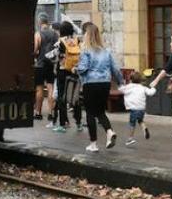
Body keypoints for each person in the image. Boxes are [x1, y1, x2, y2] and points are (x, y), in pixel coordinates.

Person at [75, 23, 122, 152]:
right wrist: (121, 83)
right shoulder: (106, 51)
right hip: (105, 83)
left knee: (90, 112)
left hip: (90, 83)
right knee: (100, 111)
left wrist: (76, 69)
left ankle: (93, 144)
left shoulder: (86, 51)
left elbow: (83, 68)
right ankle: (109, 131)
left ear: (87, 36)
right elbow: (115, 69)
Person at [51, 21, 84, 132]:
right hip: (74, 72)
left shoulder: (60, 42)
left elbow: (55, 57)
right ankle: (79, 123)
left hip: (62, 72)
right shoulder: (77, 41)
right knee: (75, 97)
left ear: (61, 31)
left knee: (62, 97)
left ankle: (62, 124)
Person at [118, 71, 156, 145]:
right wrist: (153, 88)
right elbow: (151, 93)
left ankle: (130, 138)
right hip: (141, 109)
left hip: (134, 109)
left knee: (132, 123)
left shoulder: (128, 87)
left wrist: (120, 84)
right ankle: (144, 128)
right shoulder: (143, 87)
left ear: (131, 79)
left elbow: (121, 89)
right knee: (140, 120)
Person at [33, 14, 58, 120]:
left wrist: (36, 54)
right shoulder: (55, 34)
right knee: (50, 87)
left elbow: (35, 50)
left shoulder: (38, 34)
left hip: (40, 64)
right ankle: (51, 113)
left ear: (39, 22)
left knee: (39, 89)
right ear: (47, 22)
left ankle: (38, 113)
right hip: (50, 64)